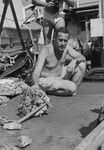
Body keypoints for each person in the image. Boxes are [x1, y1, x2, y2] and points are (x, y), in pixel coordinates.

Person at [32, 28, 86, 96]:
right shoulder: (46, 50)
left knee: (82, 64)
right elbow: (36, 72)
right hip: (47, 80)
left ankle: (71, 91)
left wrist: (74, 61)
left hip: (60, 76)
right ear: (54, 38)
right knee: (71, 87)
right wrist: (36, 85)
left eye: (65, 41)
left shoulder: (66, 48)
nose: (63, 43)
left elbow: (82, 57)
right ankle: (52, 91)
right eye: (60, 40)